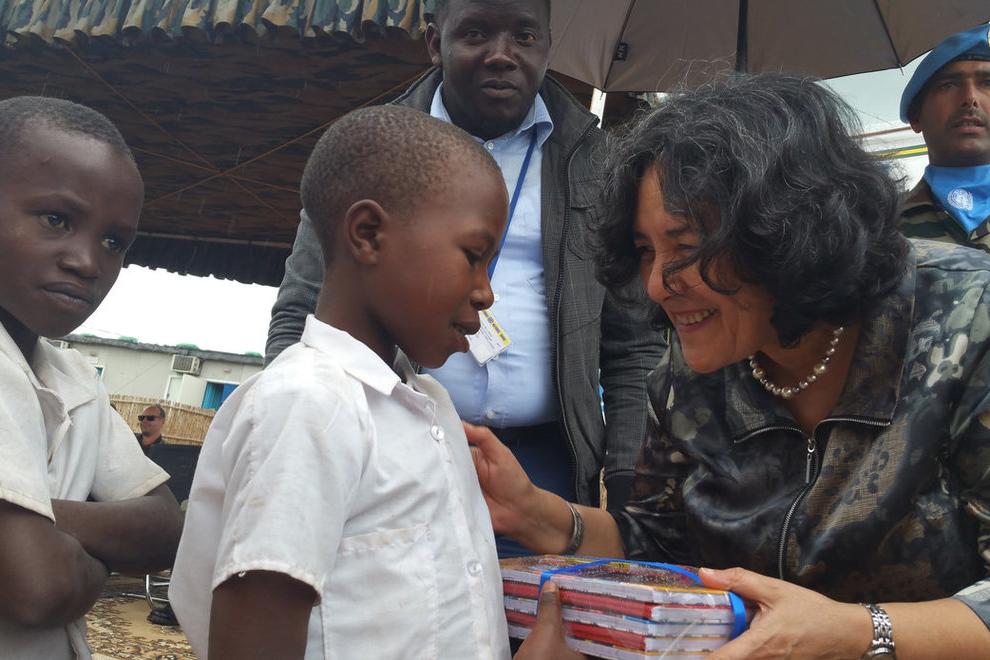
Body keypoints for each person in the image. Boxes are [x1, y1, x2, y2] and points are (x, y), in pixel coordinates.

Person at [468, 73, 990, 658]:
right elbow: (662, 546)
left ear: (785, 230)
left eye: (687, 247)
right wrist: (540, 515)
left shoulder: (969, 323)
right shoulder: (690, 374)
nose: (656, 284)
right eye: (645, 251)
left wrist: (857, 633)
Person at [169, 105, 579, 660]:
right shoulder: (308, 405)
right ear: (367, 234)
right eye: (473, 256)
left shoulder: (430, 406)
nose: (487, 292)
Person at [265, 0, 662, 542]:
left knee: (530, 602)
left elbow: (633, 344)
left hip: (547, 467)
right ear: (436, 42)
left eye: (525, 36)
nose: (502, 54)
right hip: (387, 448)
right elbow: (300, 311)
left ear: (549, 45)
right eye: (475, 33)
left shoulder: (599, 162)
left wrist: (629, 481)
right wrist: (299, 439)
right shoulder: (369, 153)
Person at [0, 96, 183, 659]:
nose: (87, 261)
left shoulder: (74, 376)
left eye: (113, 242)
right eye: (56, 220)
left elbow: (165, 528)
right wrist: (99, 550)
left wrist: (38, 522)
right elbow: (39, 587)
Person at [900, 23, 990, 249]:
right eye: (948, 85)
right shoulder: (879, 230)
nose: (970, 98)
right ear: (916, 117)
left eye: (988, 83)